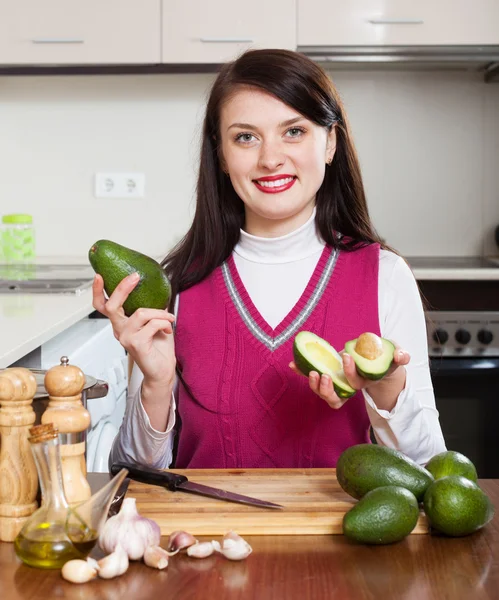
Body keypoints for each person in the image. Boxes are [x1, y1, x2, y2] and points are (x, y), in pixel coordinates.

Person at [93, 48, 446, 471]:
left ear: (330, 142)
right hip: (204, 538)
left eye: (294, 131)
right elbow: (135, 476)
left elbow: (430, 466)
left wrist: (387, 387)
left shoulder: (385, 276)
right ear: (221, 155)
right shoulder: (176, 286)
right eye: (246, 137)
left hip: (349, 537)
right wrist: (156, 381)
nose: (270, 158)